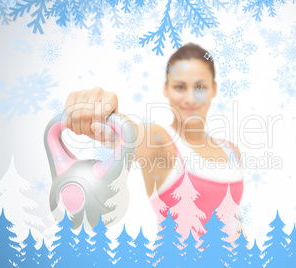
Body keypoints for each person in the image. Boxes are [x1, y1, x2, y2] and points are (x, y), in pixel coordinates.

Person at [62, 43, 245, 244]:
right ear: (166, 89)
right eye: (180, 87)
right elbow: (130, 134)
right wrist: (102, 115)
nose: (190, 98)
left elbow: (234, 221)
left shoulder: (231, 150)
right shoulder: (161, 142)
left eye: (200, 87)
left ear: (214, 89)